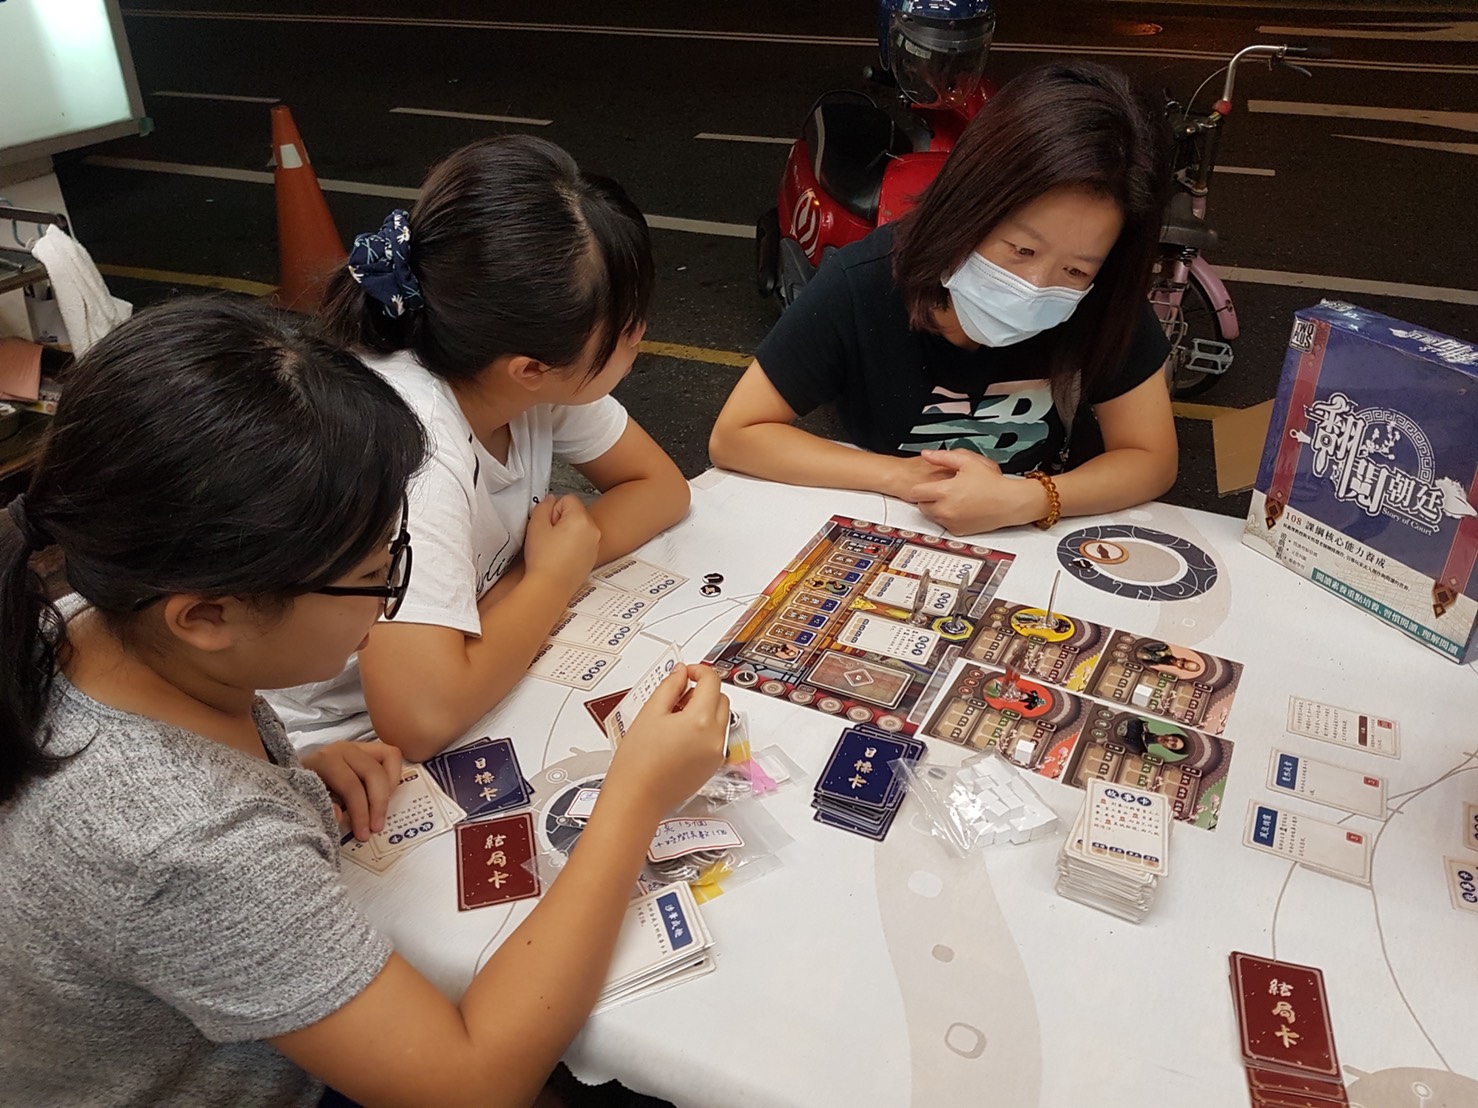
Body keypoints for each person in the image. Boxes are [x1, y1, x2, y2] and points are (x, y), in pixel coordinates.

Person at [0, 299, 727, 1107]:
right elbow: (472, 1090)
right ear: (206, 617)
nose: (393, 604)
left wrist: (292, 778)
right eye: (376, 576)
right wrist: (631, 801)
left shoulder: (92, 620)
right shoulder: (189, 842)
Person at [269, 135, 690, 760]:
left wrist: (510, 590)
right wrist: (550, 577)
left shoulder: (509, 365)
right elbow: (419, 718)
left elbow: (660, 488)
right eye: (627, 329)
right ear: (531, 369)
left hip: (456, 677)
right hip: (335, 742)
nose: (642, 334)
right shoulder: (415, 450)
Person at [709, 60, 1178, 536]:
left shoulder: (1104, 296)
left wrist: (1028, 498)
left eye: (1076, 270)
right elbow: (738, 434)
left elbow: (1150, 457)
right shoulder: (864, 284)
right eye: (1021, 250)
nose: (1036, 284)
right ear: (967, 208)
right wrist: (900, 476)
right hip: (897, 523)